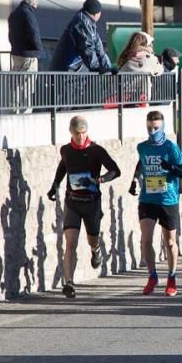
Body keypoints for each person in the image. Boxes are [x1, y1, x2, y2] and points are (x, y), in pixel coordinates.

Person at [46, 116, 121, 298]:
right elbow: (64, 167)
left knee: (92, 240)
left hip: (91, 203)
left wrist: (101, 179)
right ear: (71, 132)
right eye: (77, 133)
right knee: (70, 243)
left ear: (87, 132)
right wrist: (54, 186)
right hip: (72, 202)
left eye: (83, 133)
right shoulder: (66, 150)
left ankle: (95, 251)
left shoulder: (96, 150)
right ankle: (69, 283)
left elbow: (115, 170)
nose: (80, 137)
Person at [128, 111, 182, 296]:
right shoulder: (142, 147)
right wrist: (134, 180)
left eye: (156, 128)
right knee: (146, 240)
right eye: (149, 128)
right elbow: (141, 164)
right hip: (147, 198)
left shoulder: (171, 147)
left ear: (163, 127)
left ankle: (172, 277)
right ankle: (152, 276)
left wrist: (169, 167)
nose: (152, 131)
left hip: (168, 199)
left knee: (169, 242)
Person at [50, 0, 114, 74]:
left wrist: (108, 69)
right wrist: (97, 68)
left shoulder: (88, 22)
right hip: (69, 69)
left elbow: (99, 49)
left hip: (74, 69)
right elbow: (87, 48)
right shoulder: (83, 22)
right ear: (96, 13)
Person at [7, 0, 43, 113]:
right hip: (28, 55)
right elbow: (34, 34)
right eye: (37, 4)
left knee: (16, 83)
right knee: (28, 84)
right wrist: (39, 50)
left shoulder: (14, 14)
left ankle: (14, 109)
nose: (37, 7)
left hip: (16, 53)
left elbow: (11, 35)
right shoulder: (28, 14)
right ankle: (25, 111)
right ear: (33, 3)